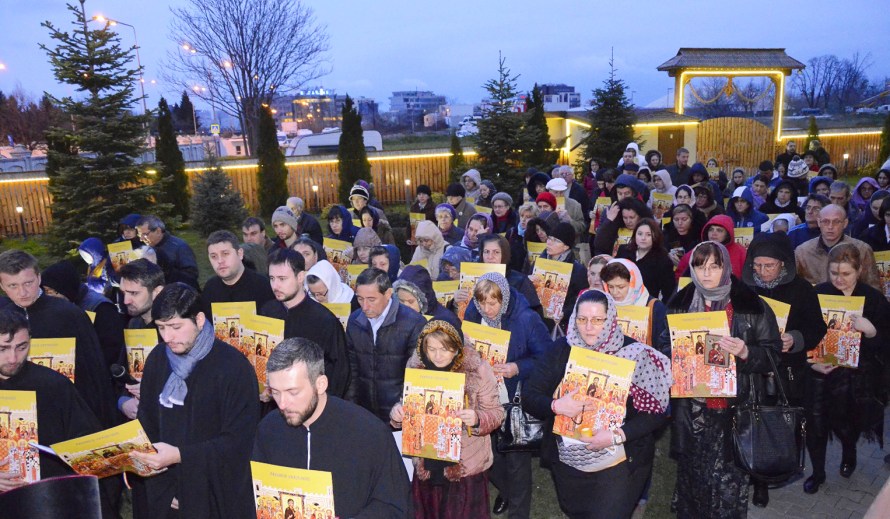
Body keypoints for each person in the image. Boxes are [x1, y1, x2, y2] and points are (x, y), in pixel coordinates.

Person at [523, 290, 671, 519]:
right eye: (582, 319)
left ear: (610, 319)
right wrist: (556, 406)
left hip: (620, 460)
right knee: (577, 511)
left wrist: (616, 435)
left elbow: (656, 412)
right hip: (570, 459)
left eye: (597, 320)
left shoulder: (634, 354)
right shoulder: (561, 349)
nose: (588, 327)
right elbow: (530, 395)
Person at [665, 241, 781, 518]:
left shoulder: (751, 305)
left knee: (728, 484)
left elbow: (774, 354)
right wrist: (675, 356)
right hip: (693, 408)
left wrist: (746, 352)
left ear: (726, 267)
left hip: (735, 409)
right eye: (699, 266)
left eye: (714, 266)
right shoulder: (680, 303)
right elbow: (663, 344)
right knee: (694, 478)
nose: (706, 274)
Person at [132, 282, 260, 518]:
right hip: (165, 489)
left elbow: (239, 442)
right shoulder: (158, 359)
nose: (167, 337)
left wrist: (180, 456)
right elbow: (147, 423)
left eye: (175, 327)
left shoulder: (233, 368)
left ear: (199, 320)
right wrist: (159, 483)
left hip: (213, 494)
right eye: (161, 328)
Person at [252, 338, 411, 517]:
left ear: (320, 384)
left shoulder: (369, 433)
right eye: (275, 392)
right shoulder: (269, 429)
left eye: (293, 392)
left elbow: (395, 506)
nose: (282, 404)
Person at [0, 310, 119, 515]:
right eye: (2, 349)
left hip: (46, 499)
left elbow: (86, 438)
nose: (13, 358)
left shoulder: (53, 384)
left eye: (21, 347)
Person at [740, 232, 828, 506]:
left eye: (769, 265)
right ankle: (760, 482)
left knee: (786, 423)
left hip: (789, 371)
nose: (762, 271)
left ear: (783, 264)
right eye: (757, 265)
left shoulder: (802, 289)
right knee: (756, 425)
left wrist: (796, 338)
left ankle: (785, 467)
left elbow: (817, 327)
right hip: (753, 369)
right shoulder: (744, 289)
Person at [390, 320, 503, 517]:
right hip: (427, 461)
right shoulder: (416, 366)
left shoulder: (477, 369)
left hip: (466, 465)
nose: (437, 356)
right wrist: (398, 414)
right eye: (431, 349)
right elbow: (407, 403)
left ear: (456, 346)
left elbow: (497, 412)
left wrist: (477, 418)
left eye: (444, 349)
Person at [463, 273, 552, 517]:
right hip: (483, 397)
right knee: (488, 453)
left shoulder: (526, 318)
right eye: (481, 303)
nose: (487, 309)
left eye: (492, 303)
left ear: (504, 299)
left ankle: (518, 512)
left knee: (516, 459)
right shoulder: (472, 314)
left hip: (514, 399)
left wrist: (518, 367)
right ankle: (508, 492)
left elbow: (547, 357)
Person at [0, 250, 117, 429]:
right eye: (13, 286)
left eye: (28, 283)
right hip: (16, 416)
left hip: (66, 413)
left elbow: (94, 373)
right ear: (2, 286)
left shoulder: (69, 314)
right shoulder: (3, 315)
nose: (22, 292)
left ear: (39, 278)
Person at [807, 244, 890, 493]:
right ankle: (818, 472)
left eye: (846, 273)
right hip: (822, 372)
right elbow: (804, 332)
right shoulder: (818, 293)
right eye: (834, 273)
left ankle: (849, 452)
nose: (839, 279)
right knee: (817, 425)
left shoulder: (873, 298)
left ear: (859, 270)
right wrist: (811, 362)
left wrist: (871, 331)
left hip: (857, 376)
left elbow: (885, 344)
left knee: (848, 422)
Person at [260, 250, 350, 398]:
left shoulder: (324, 320)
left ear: (300, 277)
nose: (275, 285)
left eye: (282, 279)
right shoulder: (267, 311)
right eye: (272, 278)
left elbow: (340, 371)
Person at [345, 268, 427, 423]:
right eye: (360, 299)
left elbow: (417, 372)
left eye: (371, 299)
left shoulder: (414, 323)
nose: (365, 306)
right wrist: (351, 406)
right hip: (364, 410)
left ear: (388, 294)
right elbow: (352, 368)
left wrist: (403, 405)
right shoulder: (355, 321)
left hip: (398, 412)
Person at [39, 260, 127, 371]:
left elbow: (112, 348)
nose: (48, 296)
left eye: (49, 291)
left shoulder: (100, 307)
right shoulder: (63, 305)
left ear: (63, 288)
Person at [795, 204, 882, 290]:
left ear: (845, 223)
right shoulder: (803, 251)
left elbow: (873, 287)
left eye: (836, 222)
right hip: (814, 298)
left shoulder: (862, 249)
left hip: (851, 298)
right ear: (818, 222)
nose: (830, 227)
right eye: (825, 221)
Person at [201, 230, 275, 321]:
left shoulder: (264, 287)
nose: (220, 261)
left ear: (240, 254)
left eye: (225, 254)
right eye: (214, 256)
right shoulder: (210, 289)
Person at [600, 259, 668, 352]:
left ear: (634, 283)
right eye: (610, 287)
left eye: (621, 287)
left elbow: (663, 346)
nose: (615, 292)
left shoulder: (655, 308)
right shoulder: (604, 305)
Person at [537, 222, 588, 331]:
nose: (549, 242)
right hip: (537, 319)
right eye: (549, 238)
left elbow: (580, 299)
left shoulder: (578, 270)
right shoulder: (538, 263)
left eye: (556, 240)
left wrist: (565, 313)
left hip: (561, 324)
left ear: (566, 246)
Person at [478, 233, 542, 315]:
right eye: (486, 252)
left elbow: (533, 315)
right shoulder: (476, 278)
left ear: (504, 254)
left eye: (496, 252)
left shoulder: (520, 281)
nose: (490, 257)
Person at [615, 218, 676, 300]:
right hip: (619, 299)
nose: (643, 238)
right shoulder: (623, 251)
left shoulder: (663, 260)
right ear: (635, 235)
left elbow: (668, 291)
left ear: (655, 236)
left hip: (646, 303)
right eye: (640, 234)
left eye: (648, 235)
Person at [675, 214, 747, 281]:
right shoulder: (697, 250)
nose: (714, 233)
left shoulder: (740, 252)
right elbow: (680, 276)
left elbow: (747, 279)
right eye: (711, 230)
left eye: (719, 230)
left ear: (727, 234)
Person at [136, 215, 199, 289]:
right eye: (139, 235)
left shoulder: (180, 247)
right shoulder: (147, 247)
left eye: (144, 234)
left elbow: (191, 276)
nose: (141, 239)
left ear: (158, 231)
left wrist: (167, 272)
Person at [394, 265, 461, 330]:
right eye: (401, 301)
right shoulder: (395, 318)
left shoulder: (447, 321)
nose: (406, 306)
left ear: (424, 299)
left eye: (411, 301)